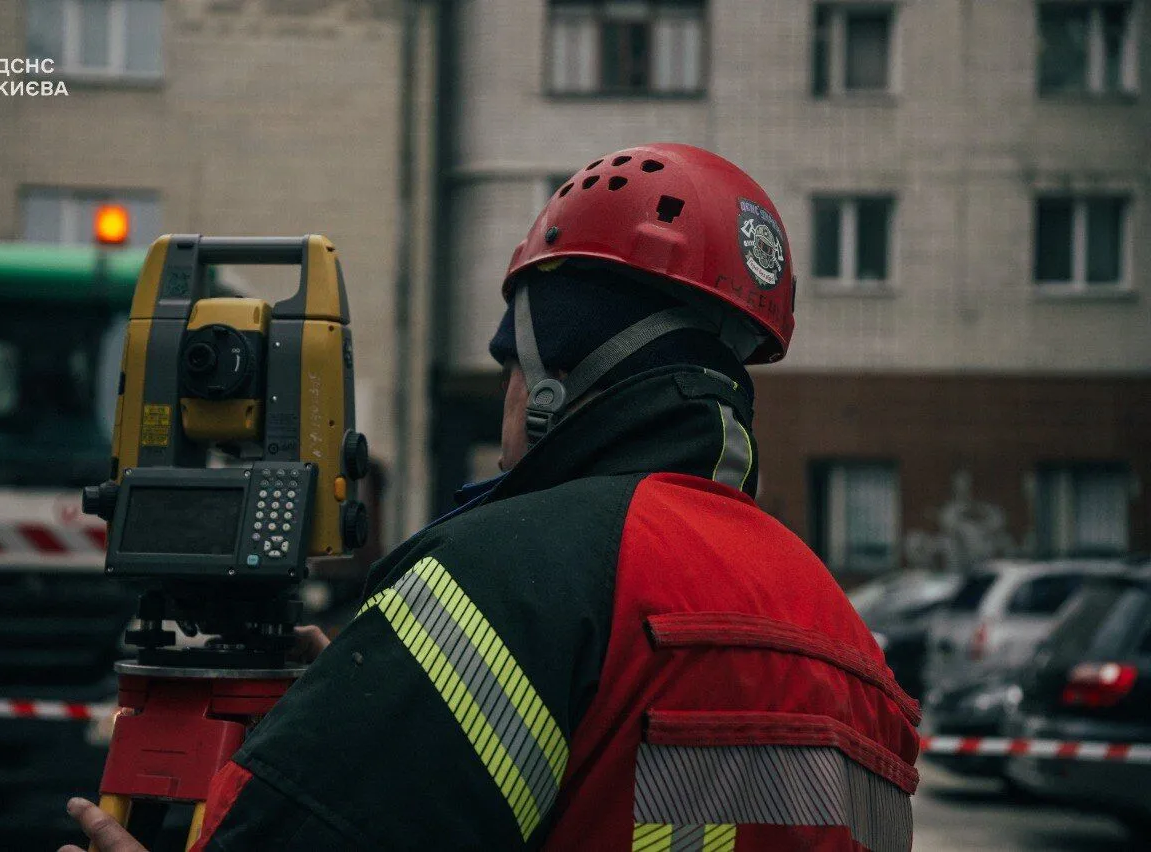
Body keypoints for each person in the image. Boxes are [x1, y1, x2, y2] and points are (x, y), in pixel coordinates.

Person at [63, 143, 920, 852]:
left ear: (551, 377)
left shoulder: (513, 573)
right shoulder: (847, 643)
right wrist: (381, 697)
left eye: (512, 362)